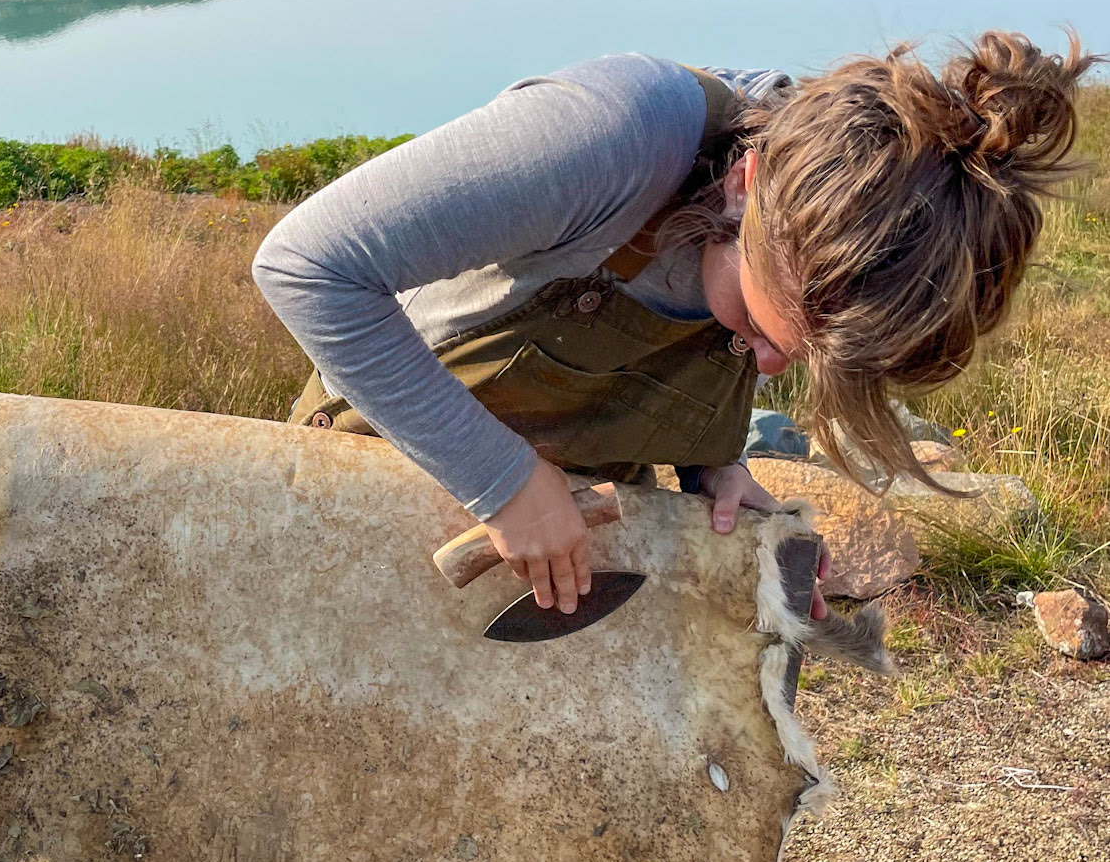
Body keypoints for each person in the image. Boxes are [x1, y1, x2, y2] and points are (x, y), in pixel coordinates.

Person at [252, 31, 1088, 617]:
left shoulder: (826, 228)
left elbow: (709, 325)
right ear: (740, 187)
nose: (763, 368)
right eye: (758, 330)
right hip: (383, 459)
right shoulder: (610, 133)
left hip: (570, 521)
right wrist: (505, 482)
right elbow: (305, 267)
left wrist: (711, 463)